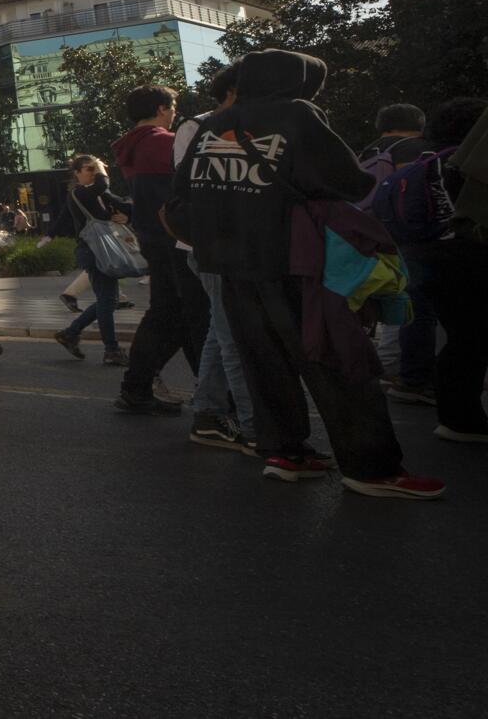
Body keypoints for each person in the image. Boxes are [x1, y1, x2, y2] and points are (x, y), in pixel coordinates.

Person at [170, 49, 441, 498]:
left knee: (265, 364)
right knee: (336, 359)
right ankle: (372, 468)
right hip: (294, 263)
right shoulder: (297, 114)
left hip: (230, 267)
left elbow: (178, 200)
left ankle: (285, 453)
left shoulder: (214, 124)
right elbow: (351, 182)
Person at [388, 97, 487, 444]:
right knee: (470, 339)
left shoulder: (426, 163)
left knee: (463, 338)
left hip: (423, 257)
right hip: (468, 257)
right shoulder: (470, 165)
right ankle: (461, 417)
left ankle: (456, 415)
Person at [170, 64, 255, 451]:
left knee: (221, 336)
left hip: (235, 248)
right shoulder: (199, 126)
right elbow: (193, 190)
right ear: (234, 92)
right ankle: (256, 428)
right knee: (231, 337)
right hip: (211, 248)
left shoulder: (257, 121)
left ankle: (208, 412)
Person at [112, 85, 208, 414]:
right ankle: (214, 400)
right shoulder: (165, 143)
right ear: (159, 108)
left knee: (168, 313)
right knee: (194, 315)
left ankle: (137, 385)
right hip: (177, 239)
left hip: (152, 237)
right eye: (172, 107)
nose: (175, 114)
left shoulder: (129, 147)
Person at [359, 103, 434, 403]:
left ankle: (380, 362)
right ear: (419, 122)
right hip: (402, 231)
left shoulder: (368, 149)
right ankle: (397, 366)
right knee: (407, 298)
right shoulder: (415, 148)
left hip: (367, 229)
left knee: (380, 295)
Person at [52, 155, 133, 364]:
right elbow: (100, 186)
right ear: (77, 173)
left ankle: (70, 333)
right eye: (88, 169)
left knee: (109, 300)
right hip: (93, 252)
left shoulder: (100, 194)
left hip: (106, 250)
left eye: (94, 169)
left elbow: (124, 205)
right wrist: (102, 172)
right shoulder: (78, 193)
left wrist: (127, 217)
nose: (93, 173)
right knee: (107, 300)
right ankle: (111, 350)